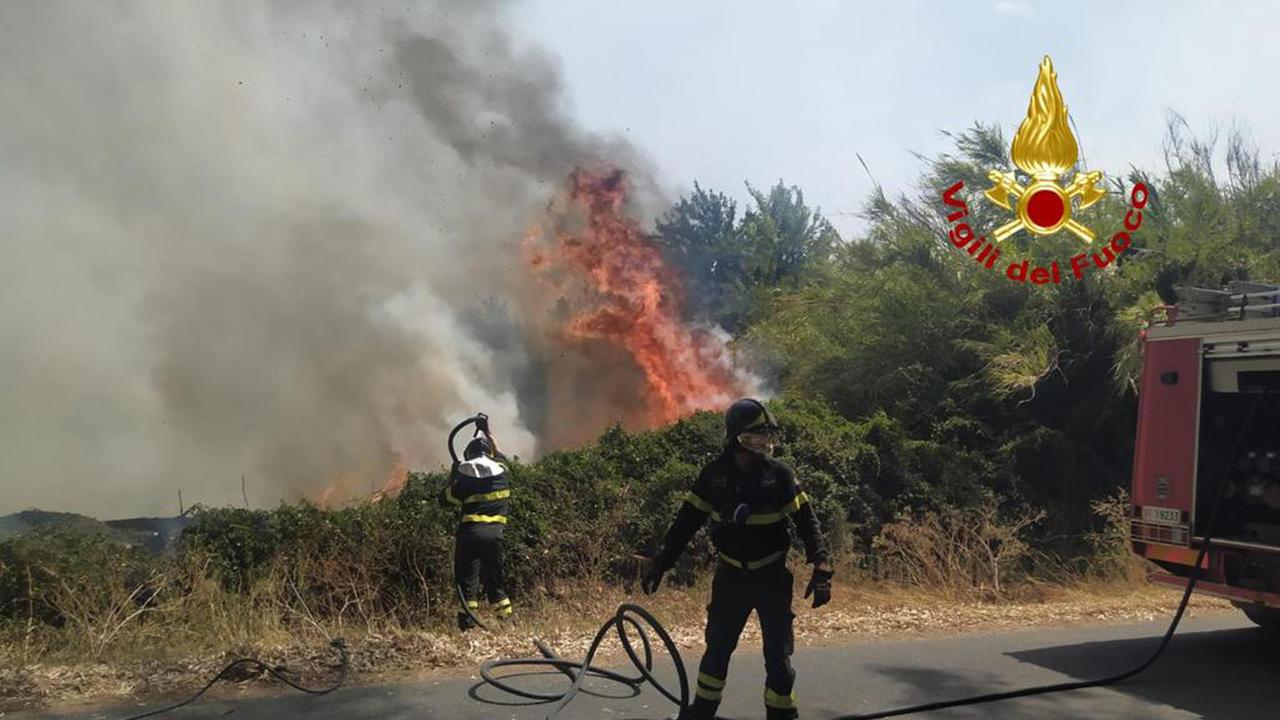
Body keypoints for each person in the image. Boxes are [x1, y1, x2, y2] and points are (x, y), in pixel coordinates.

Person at [643, 399, 833, 720]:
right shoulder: (714, 475)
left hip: (772, 578)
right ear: (736, 436)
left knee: (778, 658)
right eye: (757, 433)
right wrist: (661, 562)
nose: (764, 440)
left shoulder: (780, 475)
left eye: (767, 433)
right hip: (731, 578)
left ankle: (782, 715)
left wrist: (823, 566)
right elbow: (686, 522)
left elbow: (807, 522)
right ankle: (702, 712)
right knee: (717, 651)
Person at [440, 414, 512, 630]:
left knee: (467, 583)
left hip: (470, 535)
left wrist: (453, 477)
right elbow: (498, 455)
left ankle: (468, 625)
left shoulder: (465, 478)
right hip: (495, 536)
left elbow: (445, 501)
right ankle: (506, 624)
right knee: (496, 582)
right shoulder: (502, 473)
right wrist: (488, 433)